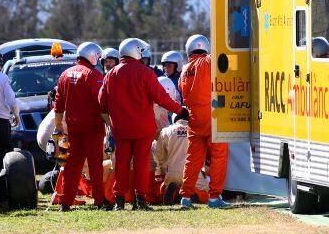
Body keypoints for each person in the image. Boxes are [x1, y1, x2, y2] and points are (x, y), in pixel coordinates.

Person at [98, 38, 187, 211]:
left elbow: (101, 102)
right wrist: (181, 111)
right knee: (142, 164)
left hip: (120, 129)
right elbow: (161, 98)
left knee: (121, 164)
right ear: (135, 51)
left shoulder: (111, 74)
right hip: (142, 128)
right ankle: (140, 199)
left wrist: (111, 120)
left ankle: (120, 200)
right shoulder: (145, 73)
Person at [54, 42, 108, 212]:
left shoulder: (65, 74)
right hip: (92, 127)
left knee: (71, 166)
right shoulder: (93, 75)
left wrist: (58, 125)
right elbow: (102, 105)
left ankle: (65, 201)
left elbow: (58, 103)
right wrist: (110, 124)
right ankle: (99, 201)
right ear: (92, 55)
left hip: (73, 127)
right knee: (95, 165)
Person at [179, 34, 230, 209]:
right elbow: (222, 58)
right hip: (212, 117)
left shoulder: (184, 70)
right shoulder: (207, 61)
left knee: (193, 159)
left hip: (194, 121)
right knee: (219, 157)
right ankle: (214, 197)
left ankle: (185, 196)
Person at [153, 117, 210, 205]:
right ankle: (193, 193)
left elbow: (159, 153)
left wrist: (163, 169)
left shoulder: (166, 130)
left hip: (172, 172)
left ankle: (173, 191)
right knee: (207, 196)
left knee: (163, 189)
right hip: (193, 173)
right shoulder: (197, 130)